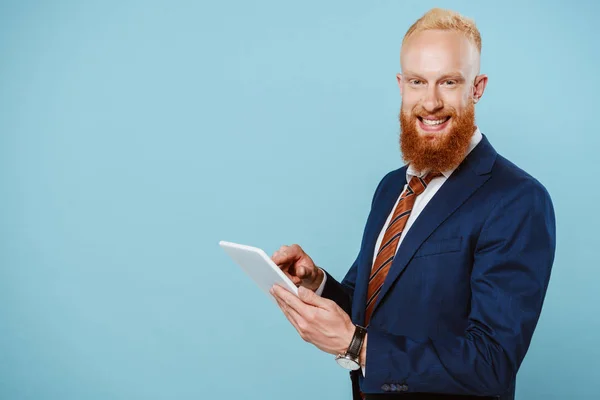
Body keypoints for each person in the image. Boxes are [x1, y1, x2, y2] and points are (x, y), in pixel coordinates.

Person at [269, 7, 556, 400]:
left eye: (449, 82)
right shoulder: (392, 187)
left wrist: (357, 346)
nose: (431, 102)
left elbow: (493, 363)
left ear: (477, 87)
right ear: (402, 85)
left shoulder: (518, 200)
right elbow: (372, 306)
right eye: (419, 82)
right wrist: (318, 283)